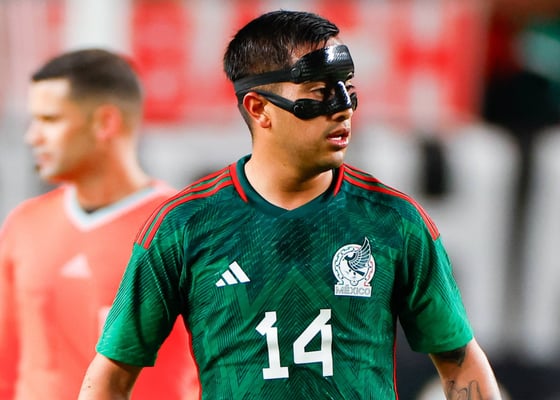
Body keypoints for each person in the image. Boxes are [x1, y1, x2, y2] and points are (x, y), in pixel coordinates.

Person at [78, 10, 502, 400]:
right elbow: (112, 373)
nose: (343, 108)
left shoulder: (395, 221)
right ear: (259, 108)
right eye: (320, 92)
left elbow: (459, 361)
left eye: (347, 88)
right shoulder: (184, 226)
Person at [0, 49, 199, 399]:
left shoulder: (185, 225)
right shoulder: (24, 224)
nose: (33, 136)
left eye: (49, 120)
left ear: (105, 123)